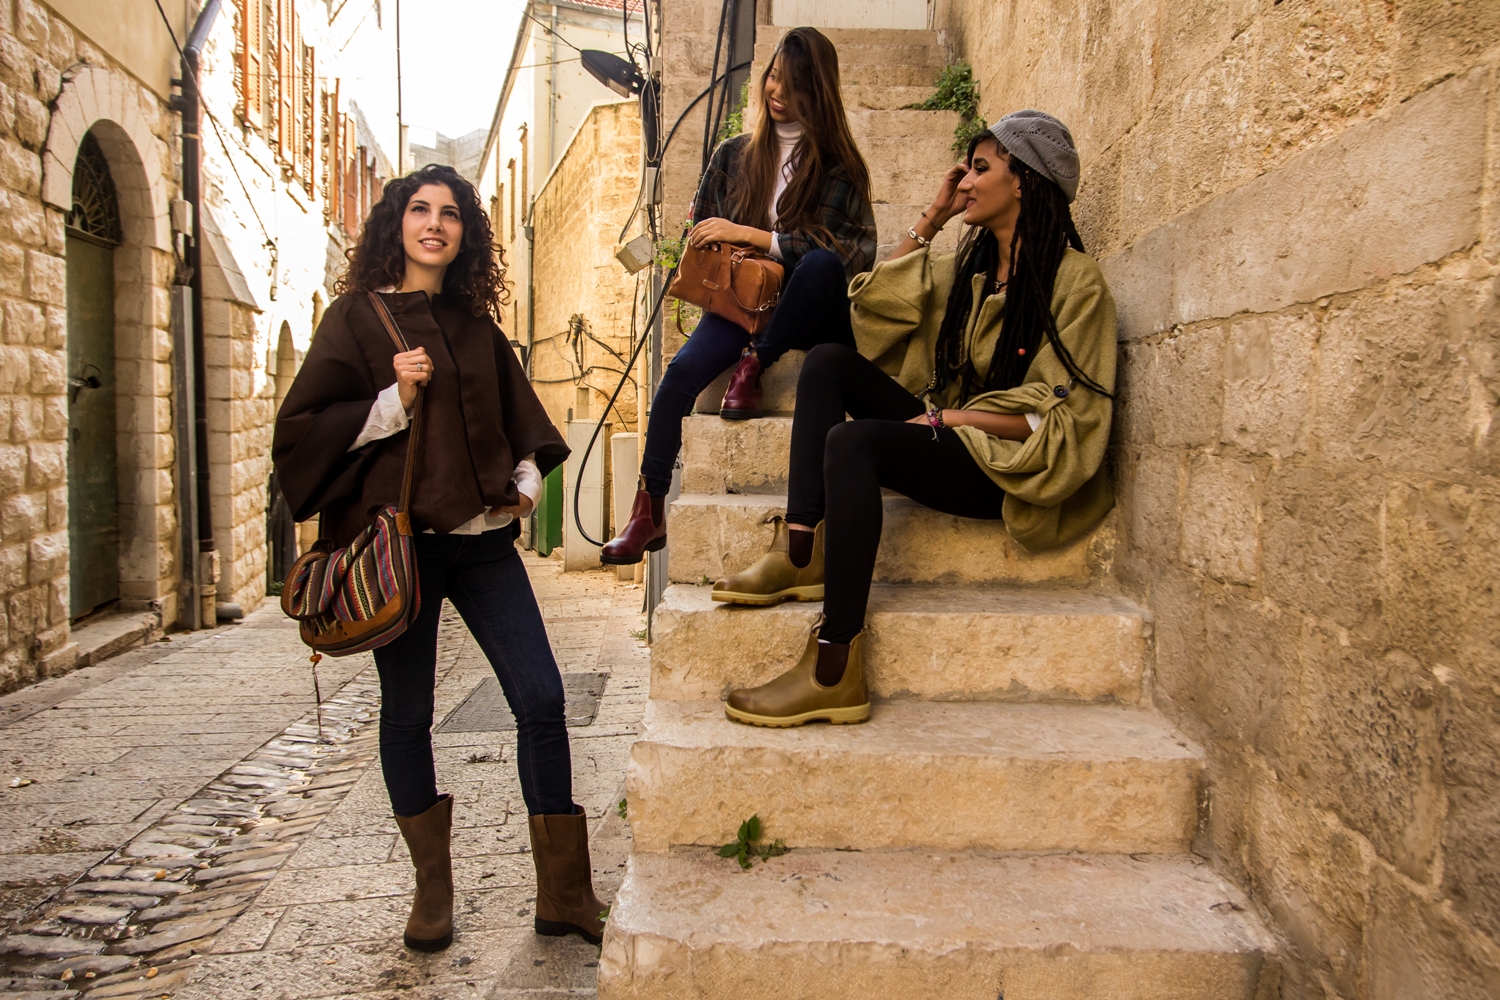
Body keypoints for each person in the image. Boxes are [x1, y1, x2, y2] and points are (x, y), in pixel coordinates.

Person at [272, 165, 607, 952]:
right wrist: (394, 401)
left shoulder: (475, 325)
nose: (434, 224)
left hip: (484, 546)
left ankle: (564, 893)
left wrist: (526, 486)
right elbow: (300, 434)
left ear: (466, 234)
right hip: (402, 551)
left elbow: (523, 424)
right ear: (397, 224)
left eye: (450, 214)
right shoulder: (354, 320)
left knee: (542, 697)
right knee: (408, 714)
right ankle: (432, 890)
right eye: (419, 210)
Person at [711, 111, 1118, 728]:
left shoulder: (1076, 284)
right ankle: (800, 548)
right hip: (953, 434)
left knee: (853, 444)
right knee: (827, 362)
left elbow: (1063, 423)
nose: (966, 181)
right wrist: (934, 217)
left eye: (980, 169)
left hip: (1007, 468)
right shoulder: (973, 268)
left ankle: (833, 667)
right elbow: (873, 299)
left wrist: (948, 419)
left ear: (1024, 182)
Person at [601, 26, 878, 565]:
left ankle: (756, 363)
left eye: (793, 85)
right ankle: (648, 510)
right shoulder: (733, 154)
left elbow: (850, 253)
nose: (777, 92)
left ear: (817, 91)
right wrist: (723, 239)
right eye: (773, 77)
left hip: (811, 308)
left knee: (819, 265)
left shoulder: (839, 165)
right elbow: (701, 228)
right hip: (743, 301)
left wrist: (755, 236)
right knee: (680, 373)